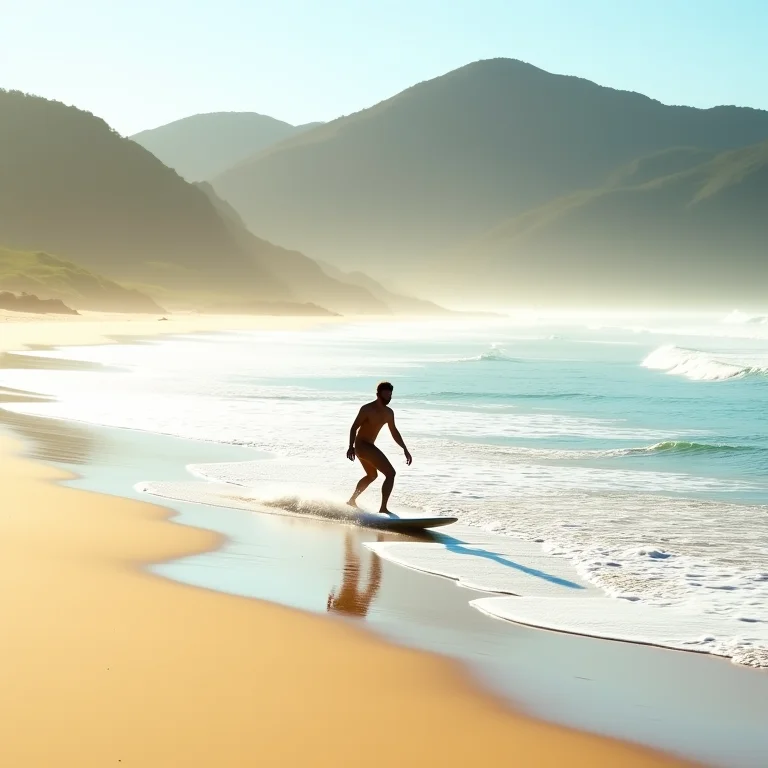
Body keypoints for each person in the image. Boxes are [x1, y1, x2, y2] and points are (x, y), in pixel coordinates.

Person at [346, 381, 412, 515]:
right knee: (390, 474)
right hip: (362, 445)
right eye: (386, 393)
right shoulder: (367, 409)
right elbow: (354, 427)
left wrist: (404, 448)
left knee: (372, 475)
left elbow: (394, 431)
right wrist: (350, 446)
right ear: (378, 394)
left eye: (390, 393)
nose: (389, 396)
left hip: (367, 447)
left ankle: (351, 501)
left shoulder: (389, 413)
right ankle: (383, 508)